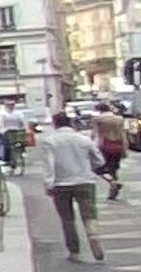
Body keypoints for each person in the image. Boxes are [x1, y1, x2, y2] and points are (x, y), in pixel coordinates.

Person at [35, 111, 107, 261]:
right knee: (89, 214)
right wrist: (90, 167)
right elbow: (99, 160)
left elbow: (49, 165)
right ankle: (93, 237)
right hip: (85, 181)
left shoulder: (50, 141)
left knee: (67, 218)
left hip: (61, 184)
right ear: (71, 123)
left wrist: (49, 184)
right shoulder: (83, 139)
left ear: (55, 123)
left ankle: (74, 252)